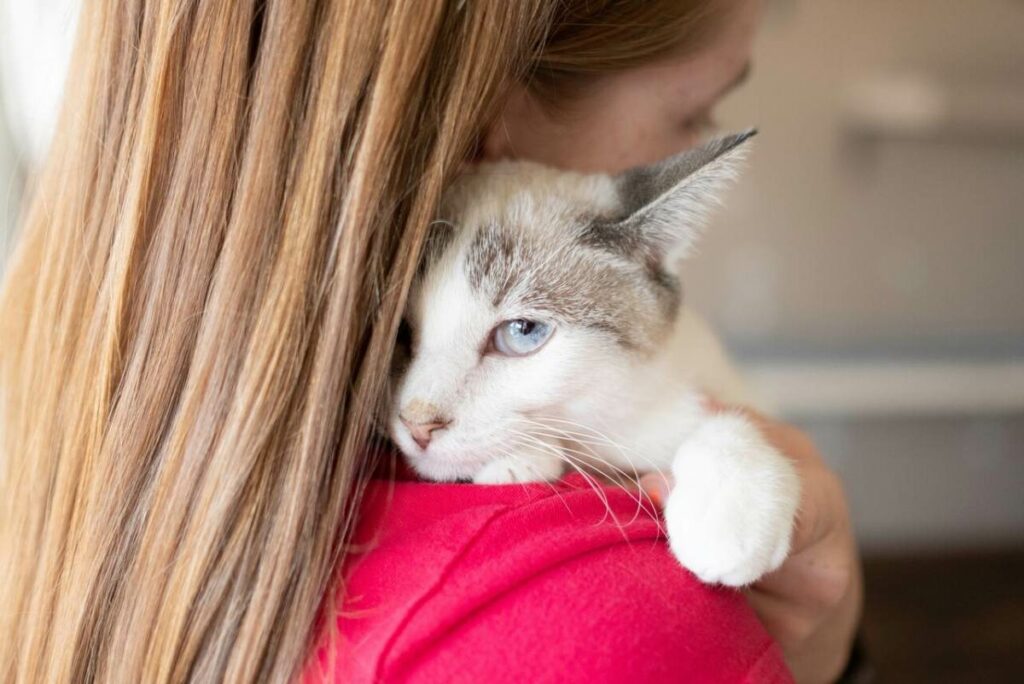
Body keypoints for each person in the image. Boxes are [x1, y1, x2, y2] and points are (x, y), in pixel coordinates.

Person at [0, 0, 861, 681]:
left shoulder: (67, 404)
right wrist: (822, 656)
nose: (419, 413)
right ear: (490, 118)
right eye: (694, 109)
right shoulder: (614, 621)